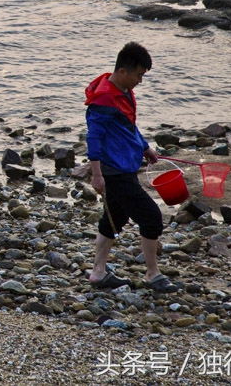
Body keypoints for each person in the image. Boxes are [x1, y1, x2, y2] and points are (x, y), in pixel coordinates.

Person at [85, 42, 177, 293]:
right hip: (115, 170)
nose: (140, 81)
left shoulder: (123, 90)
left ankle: (98, 273)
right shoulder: (105, 98)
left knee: (115, 217)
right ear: (123, 71)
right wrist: (96, 174)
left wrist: (144, 147)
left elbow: (128, 126)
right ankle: (153, 274)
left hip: (124, 164)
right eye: (139, 75)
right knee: (151, 217)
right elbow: (93, 137)